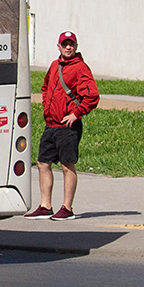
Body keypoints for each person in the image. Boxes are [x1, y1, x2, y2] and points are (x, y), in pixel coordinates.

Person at [24, 31, 100, 221]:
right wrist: (47, 106)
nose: (68, 47)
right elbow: (45, 87)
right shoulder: (54, 65)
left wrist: (76, 113)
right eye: (65, 44)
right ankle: (45, 206)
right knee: (42, 163)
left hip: (68, 126)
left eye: (71, 44)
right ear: (58, 46)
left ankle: (67, 208)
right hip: (51, 124)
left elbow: (92, 95)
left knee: (67, 166)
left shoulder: (80, 68)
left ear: (76, 46)